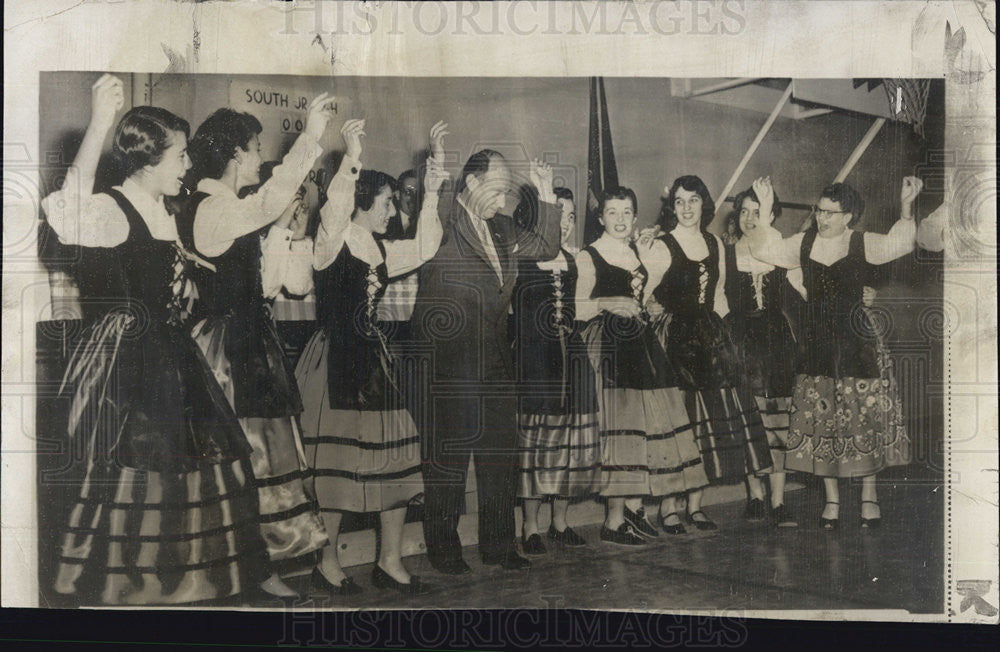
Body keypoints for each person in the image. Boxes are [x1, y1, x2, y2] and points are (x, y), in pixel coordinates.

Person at [43, 74, 270, 605]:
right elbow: (66, 214)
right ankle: (132, 593)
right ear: (147, 161)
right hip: (124, 365)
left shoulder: (165, 211)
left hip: (172, 355)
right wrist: (100, 120)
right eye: (181, 155)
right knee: (134, 471)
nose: (189, 165)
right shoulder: (109, 209)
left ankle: (178, 591)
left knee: (190, 472)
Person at [177, 99, 340, 599]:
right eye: (253, 149)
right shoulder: (213, 206)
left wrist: (286, 236)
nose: (257, 158)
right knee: (248, 458)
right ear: (233, 153)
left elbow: (268, 278)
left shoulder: (223, 207)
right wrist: (311, 133)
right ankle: (248, 570)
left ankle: (254, 565)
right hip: (228, 349)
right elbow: (268, 201)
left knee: (256, 458)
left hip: (244, 339)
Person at [295, 119, 448, 595]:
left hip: (374, 362)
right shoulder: (332, 240)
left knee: (397, 462)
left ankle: (390, 561)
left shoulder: (380, 248)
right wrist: (352, 155)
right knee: (336, 470)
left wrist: (433, 187)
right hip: (335, 360)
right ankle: (327, 564)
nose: (391, 210)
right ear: (363, 202)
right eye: (385, 202)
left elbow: (425, 247)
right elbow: (335, 209)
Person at [413, 149, 562, 575]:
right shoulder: (443, 214)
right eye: (498, 185)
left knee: (501, 456)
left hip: (495, 358)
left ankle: (499, 546)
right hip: (449, 360)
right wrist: (434, 178)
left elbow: (547, 244)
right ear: (473, 184)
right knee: (449, 461)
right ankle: (444, 549)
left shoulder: (502, 226)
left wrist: (546, 188)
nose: (506, 194)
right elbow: (428, 210)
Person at [744, 176, 921, 529]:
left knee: (863, 419)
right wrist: (764, 210)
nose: (821, 218)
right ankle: (832, 501)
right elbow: (764, 251)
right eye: (819, 210)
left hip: (857, 342)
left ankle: (869, 496)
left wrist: (905, 207)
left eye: (829, 213)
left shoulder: (862, 242)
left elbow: (899, 244)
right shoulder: (803, 242)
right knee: (822, 421)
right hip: (817, 343)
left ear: (848, 216)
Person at [725, 185, 881, 526]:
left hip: (781, 344)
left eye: (758, 211)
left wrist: (860, 294)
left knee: (783, 420)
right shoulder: (726, 252)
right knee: (747, 419)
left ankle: (780, 502)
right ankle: (756, 496)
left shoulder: (785, 249)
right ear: (736, 217)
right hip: (740, 343)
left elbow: (817, 285)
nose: (750, 218)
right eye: (744, 212)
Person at [639, 175, 772, 532]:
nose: (686, 208)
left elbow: (718, 297)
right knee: (677, 426)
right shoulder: (660, 245)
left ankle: (695, 506)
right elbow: (640, 292)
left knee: (706, 426)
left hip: (710, 338)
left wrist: (729, 338)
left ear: (704, 204)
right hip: (674, 340)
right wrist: (651, 312)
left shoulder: (715, 243)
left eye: (693, 200)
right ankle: (668, 508)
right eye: (679, 201)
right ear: (673, 207)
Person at [577, 187, 710, 544]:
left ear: (634, 217)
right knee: (621, 433)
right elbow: (575, 308)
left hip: (642, 345)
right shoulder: (588, 256)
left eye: (626, 213)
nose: (619, 220)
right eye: (612, 213)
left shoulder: (640, 250)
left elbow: (659, 278)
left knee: (645, 432)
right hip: (610, 348)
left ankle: (634, 511)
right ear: (600, 218)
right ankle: (613, 520)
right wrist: (607, 301)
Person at [512, 187, 601, 552]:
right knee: (539, 440)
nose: (564, 223)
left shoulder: (575, 258)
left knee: (569, 440)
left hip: (572, 356)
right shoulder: (520, 257)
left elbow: (583, 308)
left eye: (568, 216)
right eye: (557, 213)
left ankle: (559, 522)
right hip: (536, 358)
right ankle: (530, 527)